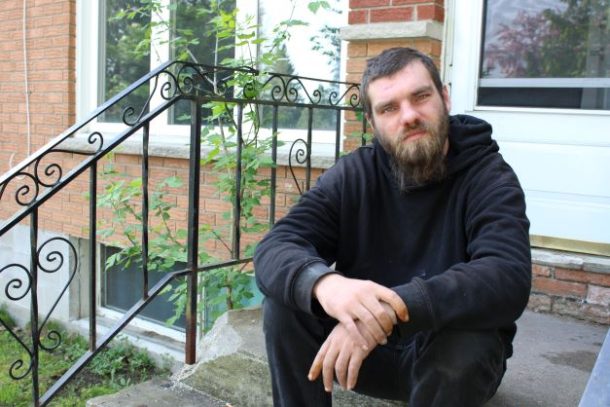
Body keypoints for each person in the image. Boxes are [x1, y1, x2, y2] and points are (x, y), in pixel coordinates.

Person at [253, 47, 531, 407]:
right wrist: (325, 284)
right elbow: (276, 246)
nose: (409, 116)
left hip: (449, 364)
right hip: (363, 359)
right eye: (389, 108)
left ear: (444, 97)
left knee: (465, 345)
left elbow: (506, 275)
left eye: (421, 97)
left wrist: (389, 313)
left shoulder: (488, 176)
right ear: (373, 122)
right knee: (286, 304)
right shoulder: (355, 175)